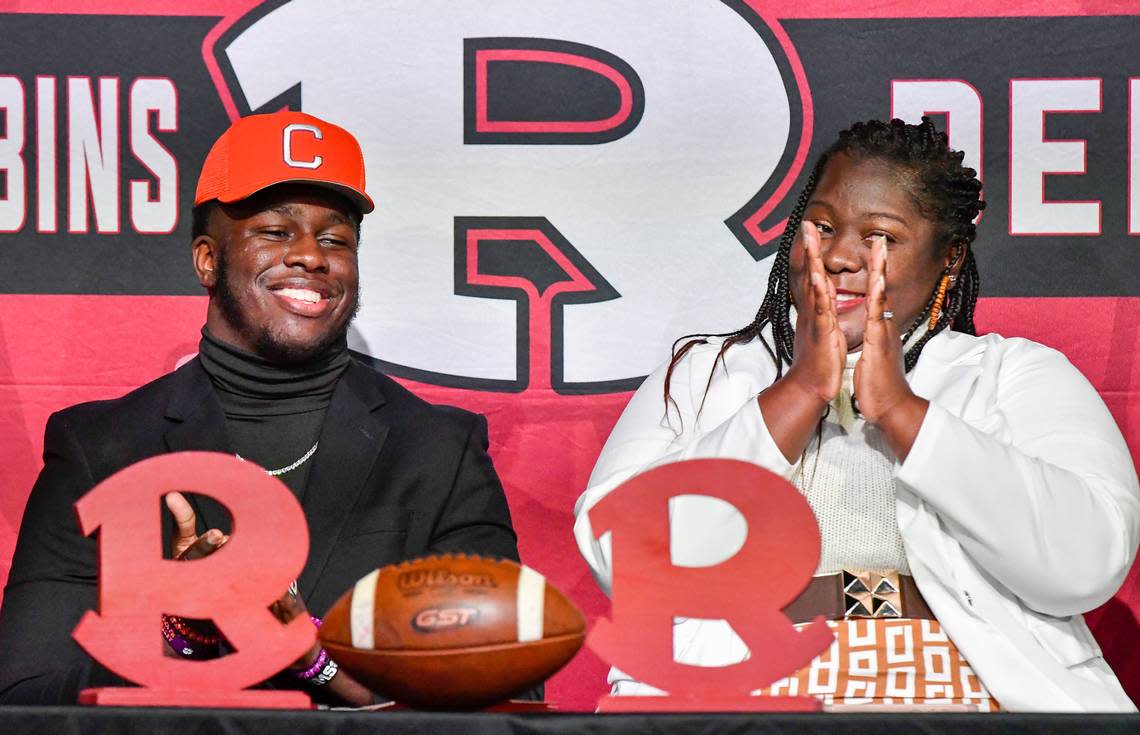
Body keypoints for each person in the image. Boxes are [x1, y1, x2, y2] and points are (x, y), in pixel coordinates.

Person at [573, 118, 1140, 711]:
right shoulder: (703, 373)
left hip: (964, 694)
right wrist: (796, 394)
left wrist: (902, 412)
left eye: (882, 237)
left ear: (949, 256)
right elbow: (628, 563)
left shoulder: (1013, 376)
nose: (841, 255)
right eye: (821, 226)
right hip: (732, 692)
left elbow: (1087, 561)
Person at [0, 111, 520, 706]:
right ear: (207, 260)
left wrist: (315, 660)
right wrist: (184, 640)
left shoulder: (436, 450)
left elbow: (506, 687)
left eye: (334, 239)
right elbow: (25, 694)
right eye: (275, 231)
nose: (310, 256)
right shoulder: (104, 450)